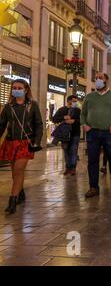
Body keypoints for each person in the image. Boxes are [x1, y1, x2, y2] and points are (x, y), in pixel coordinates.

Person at [0, 79, 43, 214]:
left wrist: (37, 140)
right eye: (14, 87)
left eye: (19, 87)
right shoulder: (8, 107)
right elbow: (1, 125)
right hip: (11, 142)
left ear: (25, 90)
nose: (16, 90)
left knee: (18, 169)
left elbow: (39, 124)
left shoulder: (32, 105)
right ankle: (21, 191)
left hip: (25, 142)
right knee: (15, 172)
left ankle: (12, 201)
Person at [81, 72, 111, 198]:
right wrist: (84, 124)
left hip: (109, 133)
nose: (98, 80)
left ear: (107, 80)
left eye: (101, 78)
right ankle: (93, 187)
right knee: (92, 160)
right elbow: (83, 114)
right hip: (92, 132)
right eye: (96, 78)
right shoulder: (89, 97)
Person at [52, 95, 81, 175]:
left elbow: (82, 121)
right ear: (68, 101)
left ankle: (73, 168)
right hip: (64, 135)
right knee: (66, 151)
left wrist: (74, 121)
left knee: (73, 150)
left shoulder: (78, 110)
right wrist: (64, 117)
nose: (75, 103)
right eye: (74, 101)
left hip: (75, 133)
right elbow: (54, 119)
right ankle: (68, 167)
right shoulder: (62, 109)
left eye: (76, 101)